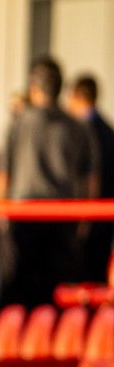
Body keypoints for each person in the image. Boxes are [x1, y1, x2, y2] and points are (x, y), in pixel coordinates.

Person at [0, 57, 95, 308]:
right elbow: (89, 179)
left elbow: (2, 175)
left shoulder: (18, 124)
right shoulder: (77, 128)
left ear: (33, 87)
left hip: (24, 216)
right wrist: (85, 218)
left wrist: (1, 214)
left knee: (19, 292)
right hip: (62, 218)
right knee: (56, 294)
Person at [67, 75, 114, 282]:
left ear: (77, 96)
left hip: (82, 216)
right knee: (96, 278)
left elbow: (90, 177)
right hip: (105, 218)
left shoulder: (78, 132)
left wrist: (84, 216)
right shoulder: (108, 132)